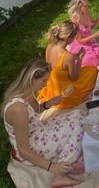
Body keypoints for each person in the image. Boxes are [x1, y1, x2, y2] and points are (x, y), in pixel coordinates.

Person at [1, 58, 85, 188]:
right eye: (44, 81)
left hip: (38, 131)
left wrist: (49, 103)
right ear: (32, 78)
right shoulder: (18, 109)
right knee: (78, 126)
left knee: (78, 115)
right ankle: (59, 174)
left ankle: (63, 157)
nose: (45, 85)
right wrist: (52, 167)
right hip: (32, 147)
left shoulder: (27, 94)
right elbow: (23, 150)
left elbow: (37, 110)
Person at [39, 20, 98, 108]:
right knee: (93, 71)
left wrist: (74, 57)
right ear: (69, 38)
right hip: (63, 92)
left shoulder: (50, 45)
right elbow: (74, 77)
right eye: (74, 37)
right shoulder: (67, 56)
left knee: (88, 70)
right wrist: (80, 59)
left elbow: (57, 63)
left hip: (53, 85)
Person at [67, 0, 99, 67]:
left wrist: (98, 20)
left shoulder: (86, 13)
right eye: (85, 6)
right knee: (90, 59)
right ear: (78, 6)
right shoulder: (74, 20)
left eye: (87, 5)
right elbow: (80, 40)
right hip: (80, 45)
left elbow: (90, 27)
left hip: (89, 41)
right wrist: (94, 35)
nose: (87, 8)